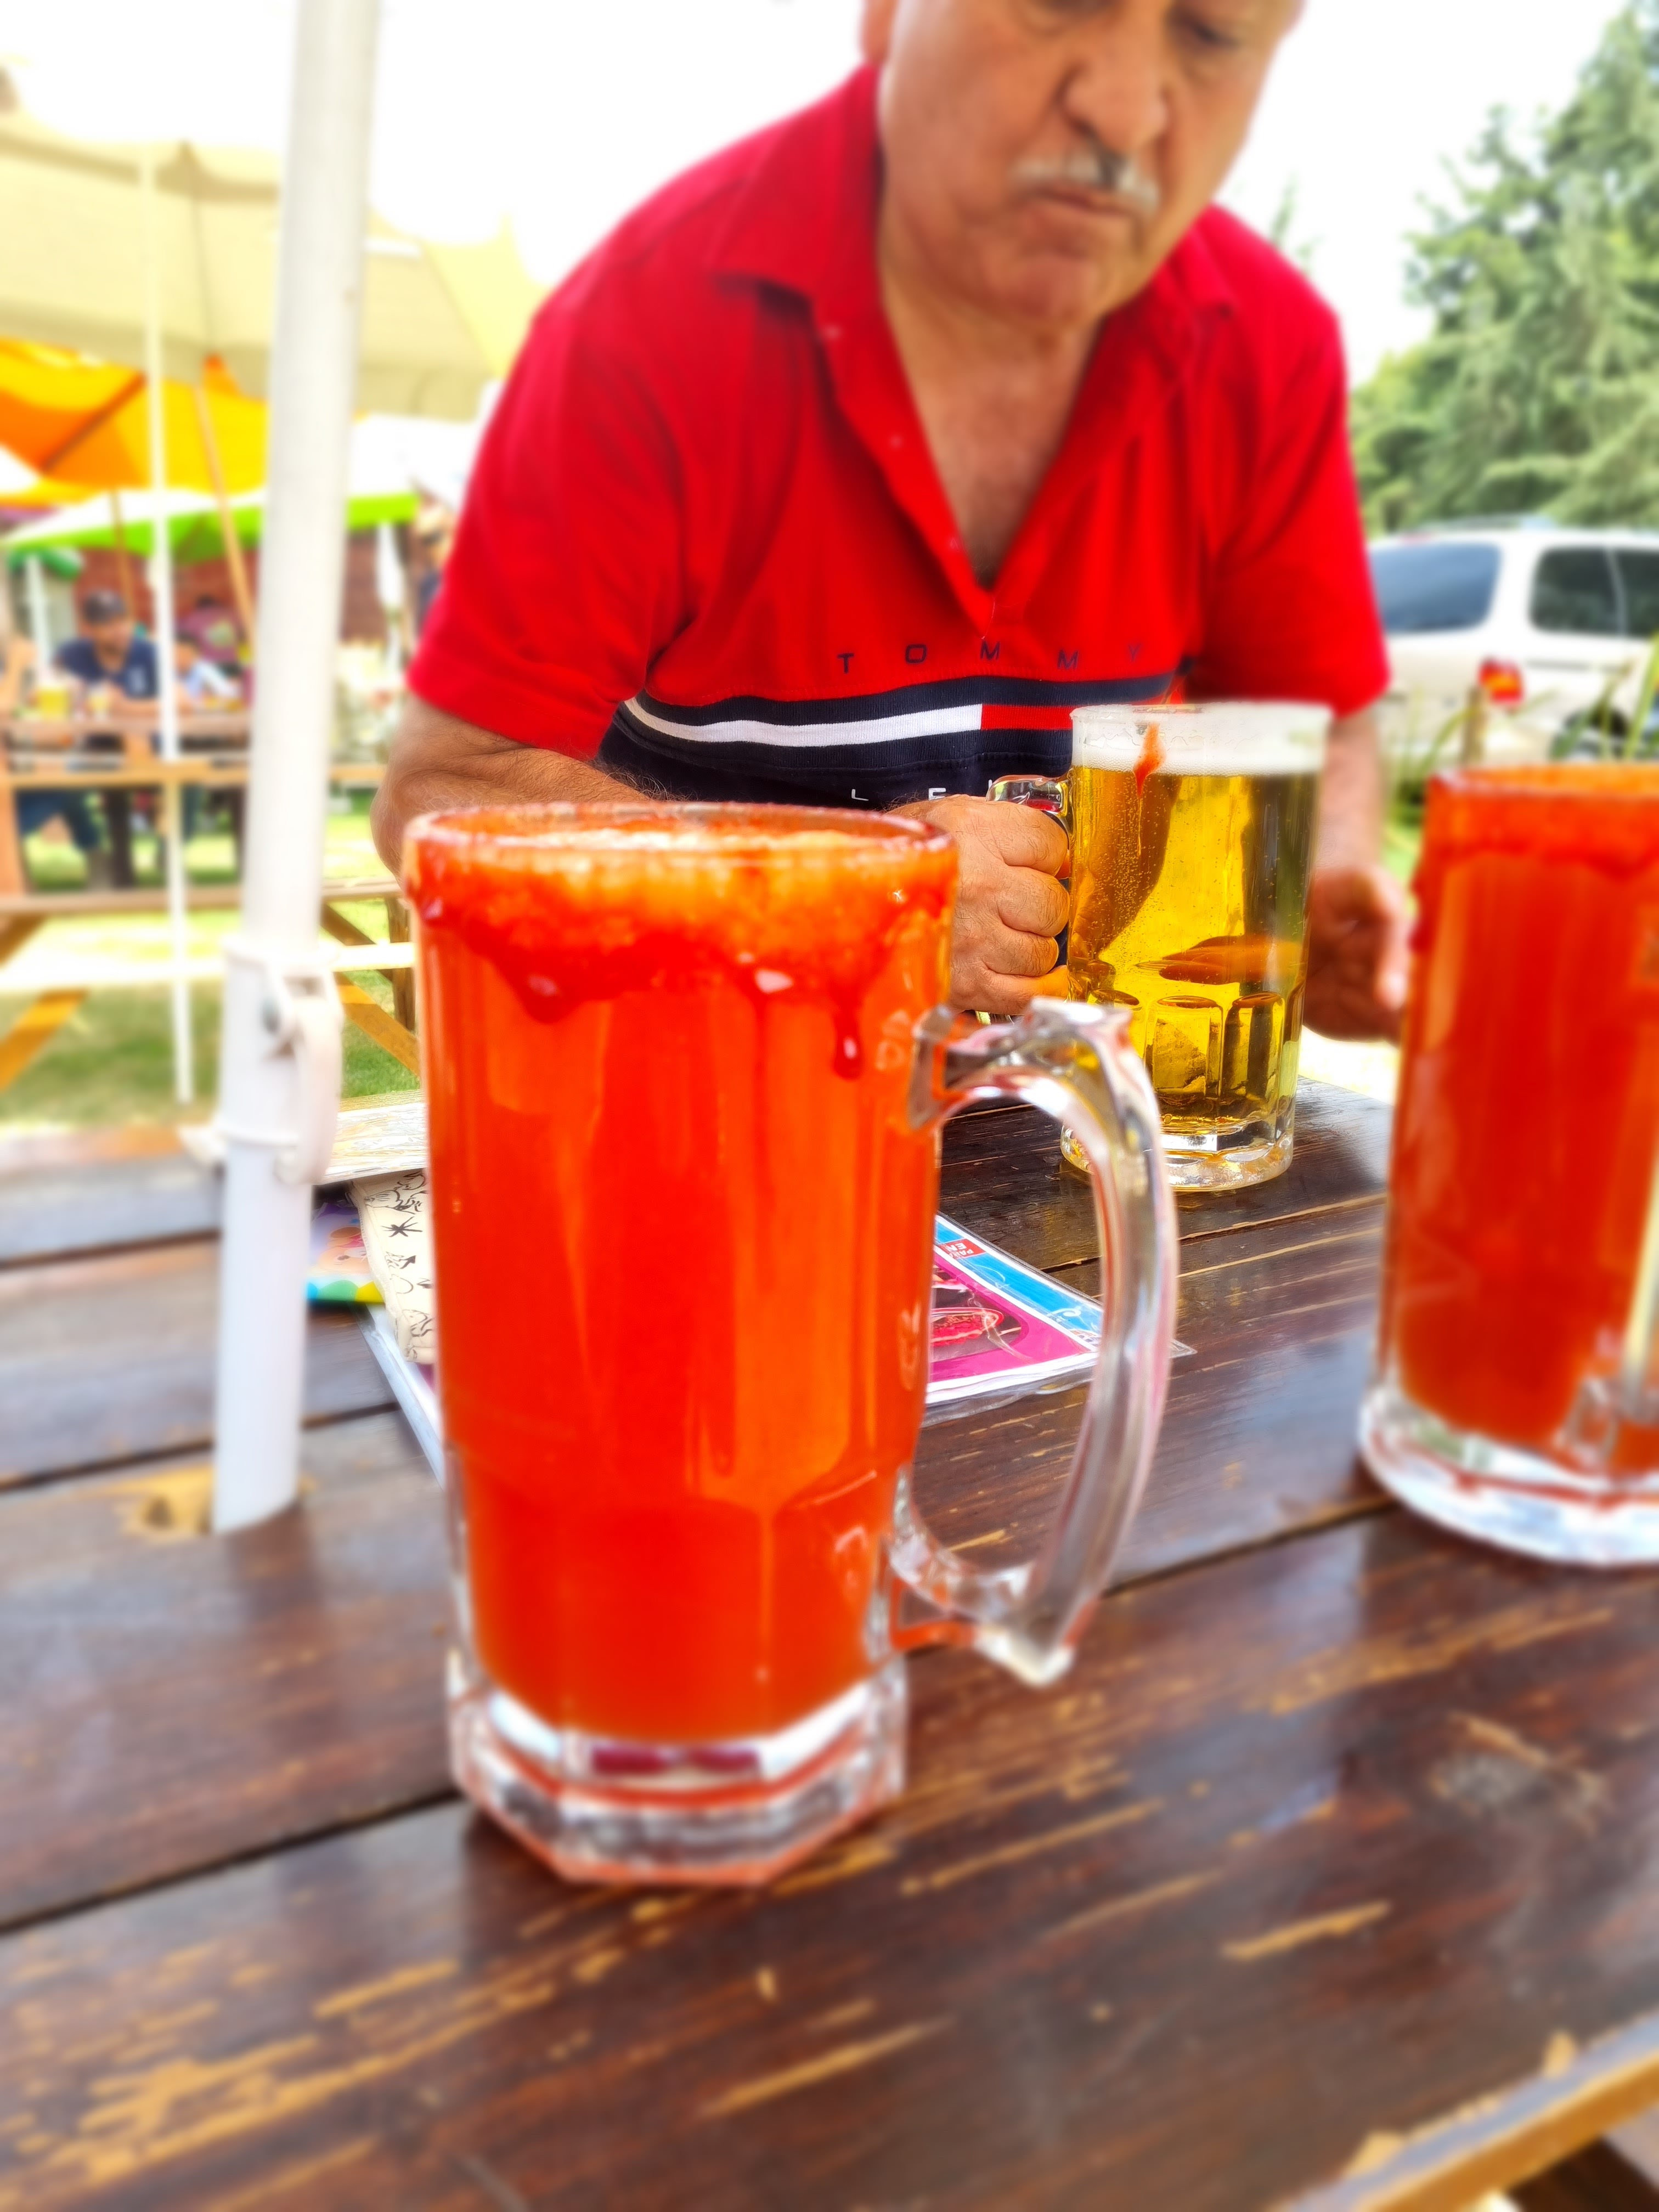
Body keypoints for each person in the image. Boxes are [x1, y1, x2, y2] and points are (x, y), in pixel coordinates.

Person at [374, 0, 1406, 1037]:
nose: (1124, 109)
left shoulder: (1267, 348)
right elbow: (440, 796)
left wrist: (1335, 892)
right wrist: (847, 900)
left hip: (1082, 1143)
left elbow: (1322, 729)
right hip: (714, 1107)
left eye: (1213, 33)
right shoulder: (649, 327)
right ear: (881, 16)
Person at [57, 589, 159, 704]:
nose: (120, 630)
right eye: (108, 623)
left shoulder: (148, 653)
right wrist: (84, 694)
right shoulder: (72, 655)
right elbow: (36, 696)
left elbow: (180, 701)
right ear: (88, 629)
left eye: (123, 620)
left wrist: (121, 706)